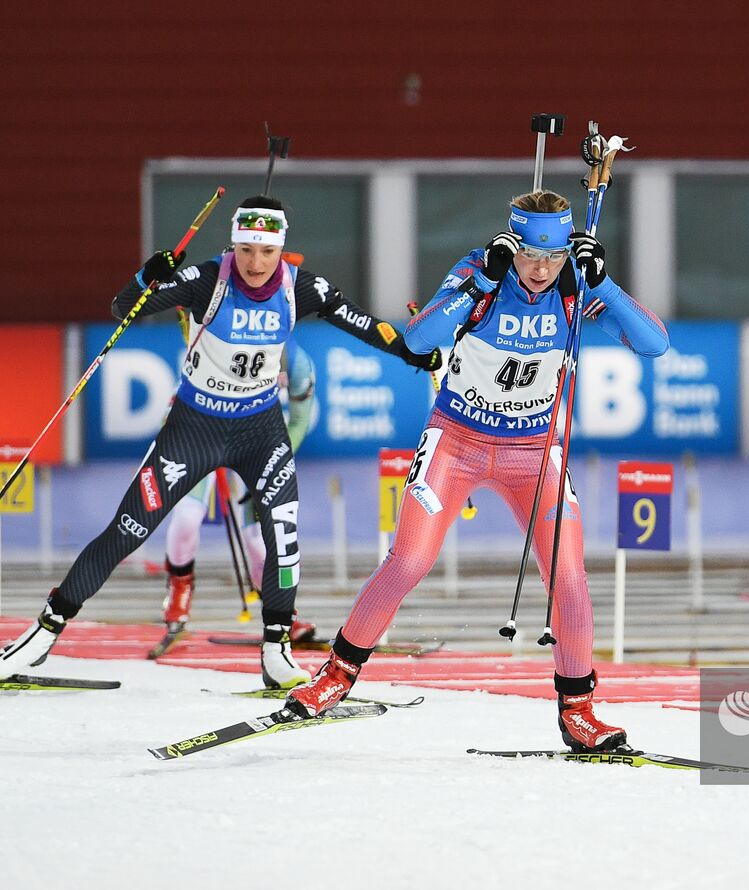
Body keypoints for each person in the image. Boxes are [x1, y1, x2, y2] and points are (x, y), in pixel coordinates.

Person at [0, 196, 440, 687]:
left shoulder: (302, 289)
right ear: (234, 244)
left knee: (282, 537)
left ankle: (276, 648)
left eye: (266, 252)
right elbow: (126, 307)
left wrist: (411, 351)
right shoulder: (208, 280)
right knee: (128, 531)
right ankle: (42, 633)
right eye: (247, 249)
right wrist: (151, 275)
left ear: (282, 251)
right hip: (193, 429)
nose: (255, 263)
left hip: (260, 432)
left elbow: (363, 324)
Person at [286, 190, 669, 752]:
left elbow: (655, 344)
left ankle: (579, 710)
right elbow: (419, 340)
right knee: (410, 560)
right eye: (530, 257)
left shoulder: (573, 289)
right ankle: (336, 677)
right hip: (456, 441)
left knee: (569, 577)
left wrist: (603, 283)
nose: (540, 270)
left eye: (554, 257)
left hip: (534, 451)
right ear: (511, 247)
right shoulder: (479, 273)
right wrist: (480, 285)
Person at [159, 333, 318, 642]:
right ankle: (179, 590)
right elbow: (175, 408)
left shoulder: (297, 362)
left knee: (259, 537)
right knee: (188, 515)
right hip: (201, 435)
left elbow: (299, 422)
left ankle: (280, 613)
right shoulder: (222, 339)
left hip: (255, 444)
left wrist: (276, 462)